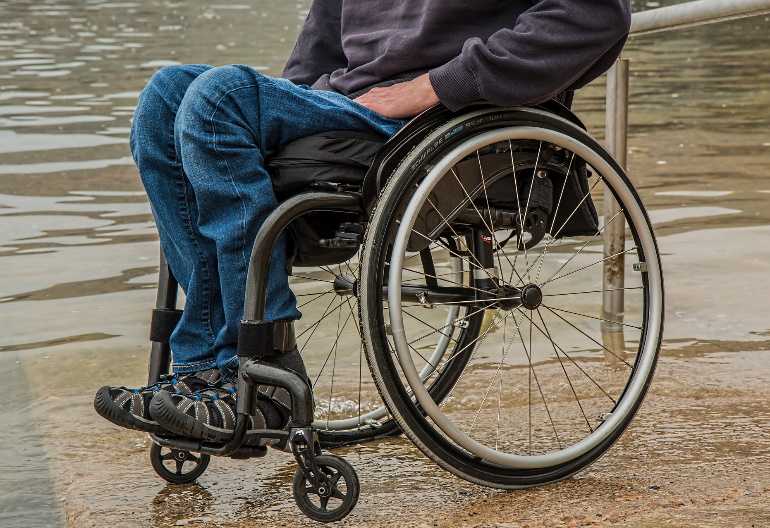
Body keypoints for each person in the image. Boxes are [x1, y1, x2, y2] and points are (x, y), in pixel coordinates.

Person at [94, 0, 632, 441]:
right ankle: (202, 373)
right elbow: (321, 41)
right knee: (166, 94)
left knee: (219, 97)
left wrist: (440, 84)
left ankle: (266, 369)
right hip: (350, 105)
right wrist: (287, 111)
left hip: (438, 114)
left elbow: (596, 14)